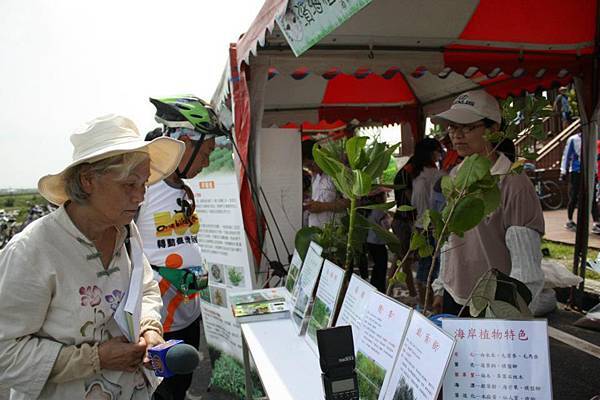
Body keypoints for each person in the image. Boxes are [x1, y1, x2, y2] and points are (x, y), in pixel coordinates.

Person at [0, 114, 185, 399]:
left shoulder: (127, 233)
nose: (140, 197)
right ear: (88, 180)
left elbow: (145, 288)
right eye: (128, 185)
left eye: (144, 184)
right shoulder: (33, 250)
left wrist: (150, 329)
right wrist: (95, 359)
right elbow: (5, 352)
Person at [136, 96, 227, 400]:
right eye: (206, 152)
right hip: (158, 322)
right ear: (185, 142)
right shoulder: (143, 186)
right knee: (162, 391)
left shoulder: (182, 189)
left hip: (188, 313)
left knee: (181, 385)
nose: (208, 161)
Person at [430, 90, 545, 316]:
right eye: (452, 127)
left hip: (492, 304)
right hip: (455, 296)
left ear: (493, 129)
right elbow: (449, 239)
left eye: (467, 127)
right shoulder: (455, 176)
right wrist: (441, 287)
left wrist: (510, 311)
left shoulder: (512, 183)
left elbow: (526, 268)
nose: (457, 135)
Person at [410, 138, 445, 308]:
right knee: (432, 269)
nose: (441, 154)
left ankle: (425, 305)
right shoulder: (436, 176)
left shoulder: (419, 176)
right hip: (432, 227)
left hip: (423, 226)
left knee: (426, 267)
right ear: (432, 153)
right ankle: (428, 305)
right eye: (439, 151)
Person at [560, 131, 600, 233]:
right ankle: (570, 220)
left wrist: (595, 171)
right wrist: (563, 171)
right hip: (576, 171)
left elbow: (594, 156)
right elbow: (566, 155)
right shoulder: (573, 139)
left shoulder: (593, 139)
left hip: (589, 171)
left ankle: (596, 222)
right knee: (574, 196)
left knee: (592, 196)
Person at [302, 140, 348, 228]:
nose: (310, 170)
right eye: (306, 167)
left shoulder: (336, 174)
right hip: (316, 230)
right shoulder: (315, 177)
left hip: (334, 232)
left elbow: (350, 202)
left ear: (319, 158)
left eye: (311, 165)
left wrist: (323, 207)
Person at [364, 188, 393, 292]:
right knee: (381, 266)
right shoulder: (380, 210)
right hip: (378, 242)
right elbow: (386, 226)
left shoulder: (370, 209)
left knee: (377, 266)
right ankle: (380, 288)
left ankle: (374, 285)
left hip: (370, 241)